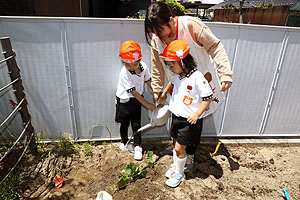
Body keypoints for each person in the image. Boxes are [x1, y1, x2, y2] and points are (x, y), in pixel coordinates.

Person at [144, 2, 233, 170]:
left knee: (193, 121)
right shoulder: (157, 39)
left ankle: (189, 153)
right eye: (153, 32)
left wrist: (225, 73)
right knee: (178, 118)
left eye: (160, 30)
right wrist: (157, 90)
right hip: (178, 86)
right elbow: (156, 66)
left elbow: (214, 46)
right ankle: (178, 146)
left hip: (199, 86)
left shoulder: (191, 25)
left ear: (171, 20)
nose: (158, 36)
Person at [159, 40, 213, 187]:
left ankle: (179, 173)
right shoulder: (178, 76)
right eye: (168, 65)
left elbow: (208, 98)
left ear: (182, 62)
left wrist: (196, 114)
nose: (170, 68)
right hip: (176, 116)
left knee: (179, 148)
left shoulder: (197, 77)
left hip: (188, 121)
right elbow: (172, 82)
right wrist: (164, 93)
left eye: (172, 65)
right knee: (175, 142)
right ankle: (177, 166)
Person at [115, 40, 156, 160]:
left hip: (138, 98)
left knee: (136, 123)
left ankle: (138, 145)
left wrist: (155, 92)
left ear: (139, 60)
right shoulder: (124, 74)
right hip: (125, 100)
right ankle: (125, 142)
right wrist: (148, 104)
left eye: (134, 64)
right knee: (124, 122)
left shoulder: (144, 67)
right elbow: (134, 93)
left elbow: (148, 81)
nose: (130, 67)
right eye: (126, 64)